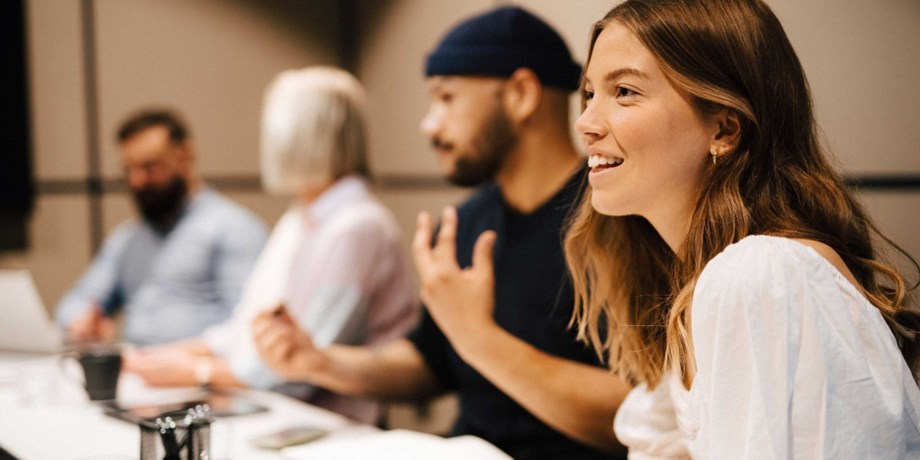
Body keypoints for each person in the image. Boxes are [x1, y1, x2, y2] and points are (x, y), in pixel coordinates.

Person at [252, 7, 630, 460]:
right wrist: (318, 362)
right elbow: (429, 363)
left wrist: (481, 341)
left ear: (521, 94)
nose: (429, 125)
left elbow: (638, 411)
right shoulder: (469, 220)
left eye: (446, 98)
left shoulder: (614, 219)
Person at [562, 0, 920, 458]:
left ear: (725, 129)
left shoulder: (760, 274)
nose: (586, 122)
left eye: (625, 92)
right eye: (590, 93)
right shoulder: (705, 281)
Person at [122, 67, 417, 424]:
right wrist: (167, 356)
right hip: (276, 411)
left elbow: (295, 367)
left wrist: (197, 371)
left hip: (330, 425)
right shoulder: (300, 218)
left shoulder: (357, 227)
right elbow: (250, 323)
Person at [56, 109, 268, 345]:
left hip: (198, 373)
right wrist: (82, 323)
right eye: (129, 170)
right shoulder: (128, 240)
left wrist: (193, 360)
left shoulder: (233, 229)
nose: (137, 181)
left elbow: (250, 325)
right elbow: (75, 302)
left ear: (185, 155)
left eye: (150, 167)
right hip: (135, 370)